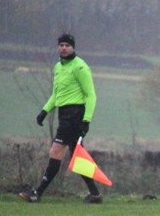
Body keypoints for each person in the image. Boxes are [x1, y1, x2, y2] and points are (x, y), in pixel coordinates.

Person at [19, 34, 102, 204]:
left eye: (67, 45)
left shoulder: (80, 67)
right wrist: (45, 111)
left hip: (74, 114)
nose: (64, 48)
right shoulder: (58, 67)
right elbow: (56, 95)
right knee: (76, 155)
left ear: (73, 47)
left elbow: (91, 95)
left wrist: (86, 120)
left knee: (56, 151)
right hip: (63, 113)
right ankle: (94, 194)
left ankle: (37, 192)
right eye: (61, 45)